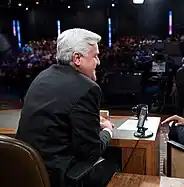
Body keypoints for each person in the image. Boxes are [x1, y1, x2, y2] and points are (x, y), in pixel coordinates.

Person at [16, 28, 115, 186]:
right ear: (77, 58)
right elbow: (91, 151)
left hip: (26, 171)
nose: (98, 61)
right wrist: (107, 130)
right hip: (57, 177)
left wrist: (94, 122)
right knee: (114, 167)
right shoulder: (87, 88)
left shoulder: (43, 76)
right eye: (95, 56)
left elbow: (59, 119)